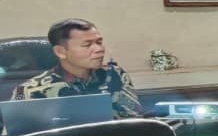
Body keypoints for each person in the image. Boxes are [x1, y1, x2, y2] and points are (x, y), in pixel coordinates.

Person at [12, 18, 142, 118]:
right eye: (87, 45)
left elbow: (135, 118)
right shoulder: (29, 91)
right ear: (60, 52)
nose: (99, 49)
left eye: (99, 42)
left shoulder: (114, 74)